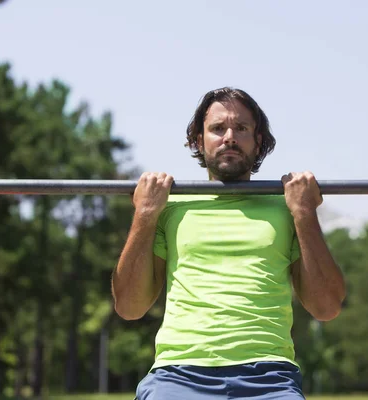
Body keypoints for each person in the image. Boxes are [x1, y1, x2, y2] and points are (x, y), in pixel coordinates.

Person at [111, 87, 346, 399]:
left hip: (268, 377)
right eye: (218, 129)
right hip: (179, 374)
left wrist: (304, 212)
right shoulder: (169, 208)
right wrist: (144, 214)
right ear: (199, 140)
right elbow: (129, 306)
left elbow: (327, 307)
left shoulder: (287, 209)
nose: (230, 137)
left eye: (242, 128)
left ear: (258, 140)